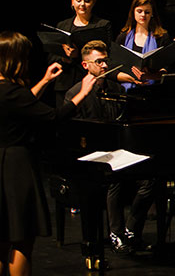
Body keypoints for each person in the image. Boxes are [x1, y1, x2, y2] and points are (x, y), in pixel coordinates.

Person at [0, 31, 96, 276]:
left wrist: (44, 81)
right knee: (22, 239)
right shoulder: (11, 91)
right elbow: (52, 117)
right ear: (14, 58)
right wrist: (82, 93)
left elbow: (22, 105)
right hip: (16, 168)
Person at [66, 41, 155, 253]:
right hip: (90, 156)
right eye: (99, 62)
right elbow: (73, 135)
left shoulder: (114, 88)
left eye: (106, 61)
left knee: (151, 177)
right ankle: (115, 233)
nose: (105, 65)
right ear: (86, 65)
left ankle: (131, 229)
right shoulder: (74, 94)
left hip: (116, 151)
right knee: (115, 177)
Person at [48, 0, 112, 106]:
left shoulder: (102, 25)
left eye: (87, 1)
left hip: (90, 82)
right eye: (78, 0)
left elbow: (108, 55)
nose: (82, 4)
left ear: (93, 2)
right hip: (64, 83)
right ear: (72, 2)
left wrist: (78, 55)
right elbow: (51, 57)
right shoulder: (62, 26)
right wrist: (65, 58)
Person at [115, 0, 174, 89]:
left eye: (147, 12)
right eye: (139, 11)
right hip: (127, 89)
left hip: (153, 90)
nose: (143, 15)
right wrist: (132, 79)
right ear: (133, 12)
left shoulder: (162, 37)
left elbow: (168, 68)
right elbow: (113, 68)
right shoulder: (123, 37)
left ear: (152, 14)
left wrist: (149, 76)